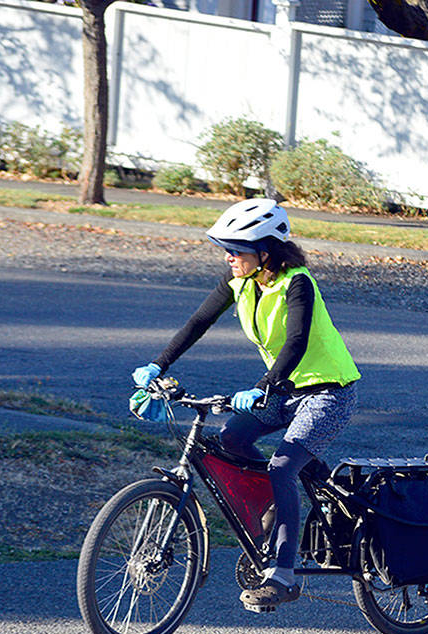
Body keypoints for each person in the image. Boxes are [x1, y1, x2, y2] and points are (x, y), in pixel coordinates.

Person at [132, 198, 360, 611]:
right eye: (226, 249)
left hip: (328, 393)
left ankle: (282, 575)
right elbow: (198, 322)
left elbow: (296, 343)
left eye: (236, 250)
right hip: (282, 391)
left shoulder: (297, 283)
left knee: (282, 466)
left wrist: (261, 386)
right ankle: (274, 514)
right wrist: (157, 364)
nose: (228, 257)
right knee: (231, 440)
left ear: (265, 252)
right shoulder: (238, 281)